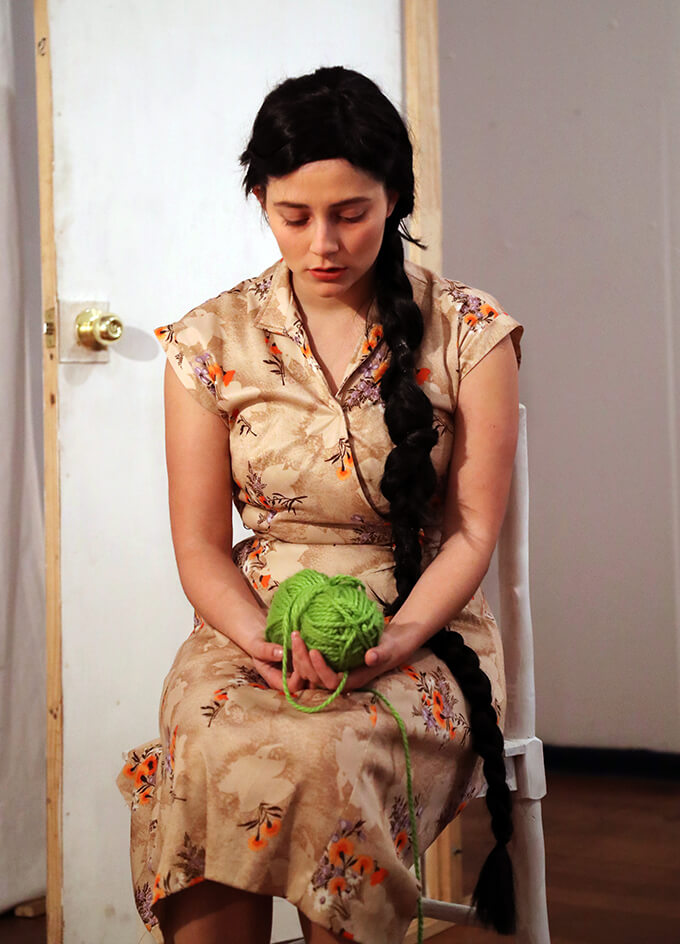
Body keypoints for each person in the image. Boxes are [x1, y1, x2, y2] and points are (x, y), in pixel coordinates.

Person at [117, 65, 523, 944]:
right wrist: (264, 646)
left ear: (394, 198)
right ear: (260, 199)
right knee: (210, 745)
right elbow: (200, 547)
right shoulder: (209, 339)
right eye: (294, 216)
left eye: (351, 213)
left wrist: (396, 640)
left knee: (321, 750)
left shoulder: (469, 330)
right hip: (250, 624)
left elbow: (471, 532)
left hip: (425, 625)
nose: (324, 243)